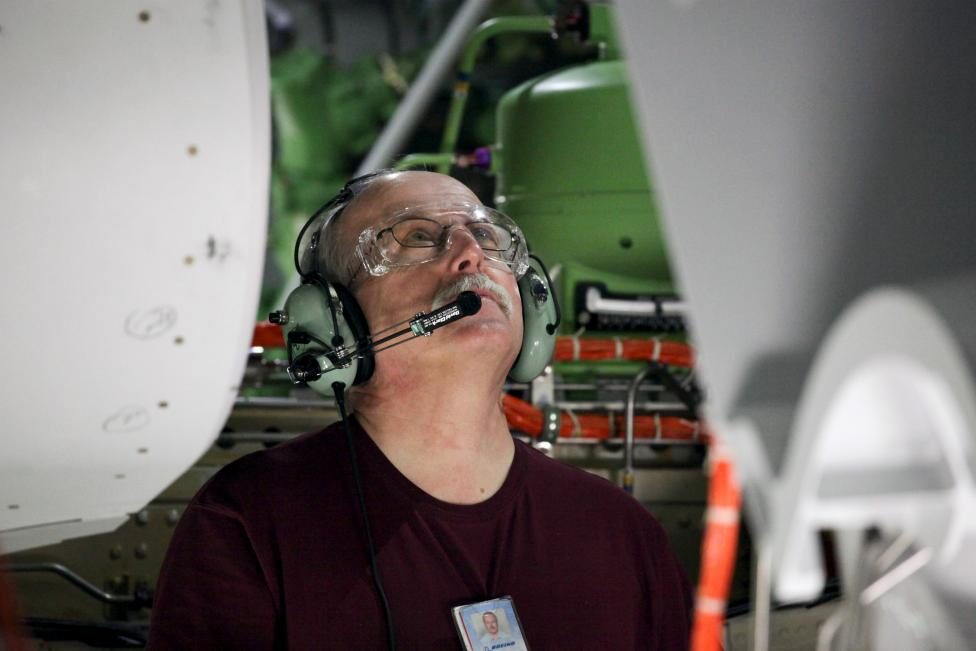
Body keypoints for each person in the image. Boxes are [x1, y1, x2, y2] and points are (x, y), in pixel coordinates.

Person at [147, 171, 692, 649]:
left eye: (484, 234)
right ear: (334, 325)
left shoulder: (621, 532)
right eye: (418, 238)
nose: (470, 253)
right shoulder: (249, 522)